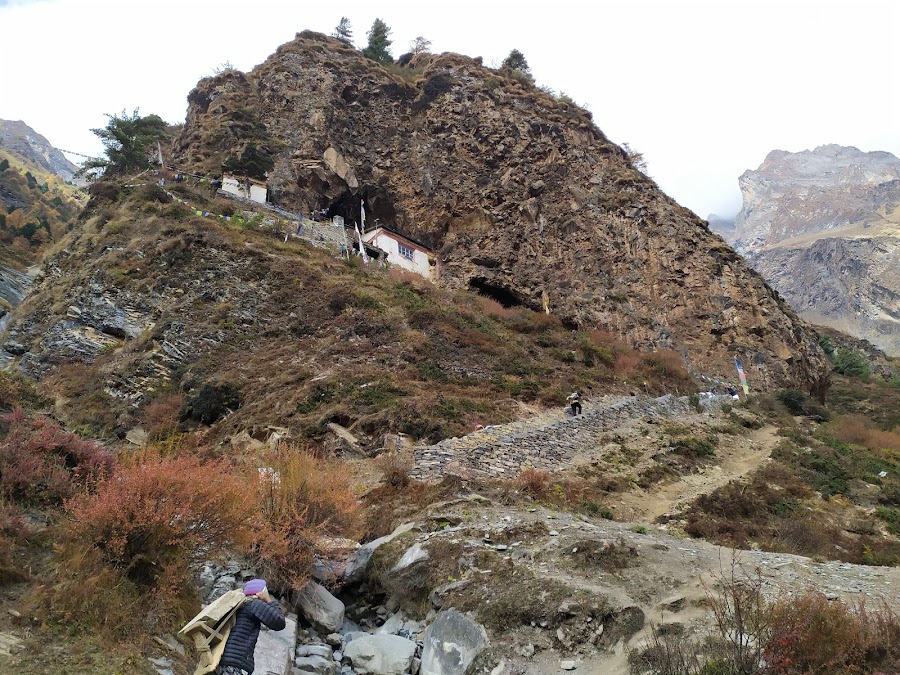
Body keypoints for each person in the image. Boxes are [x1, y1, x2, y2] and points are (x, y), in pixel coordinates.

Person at [216, 578, 286, 675]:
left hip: (221, 660)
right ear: (261, 592)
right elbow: (279, 622)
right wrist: (268, 600)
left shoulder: (238, 605)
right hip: (236, 663)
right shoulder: (253, 604)